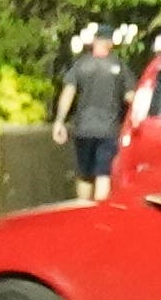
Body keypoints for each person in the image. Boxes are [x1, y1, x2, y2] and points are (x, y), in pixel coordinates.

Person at [55, 19, 136, 194]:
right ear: (110, 42)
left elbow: (68, 92)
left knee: (84, 174)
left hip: (84, 129)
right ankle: (99, 216)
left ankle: (82, 213)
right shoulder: (119, 67)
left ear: (94, 41)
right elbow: (131, 97)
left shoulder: (81, 65)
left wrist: (59, 121)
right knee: (103, 174)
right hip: (109, 130)